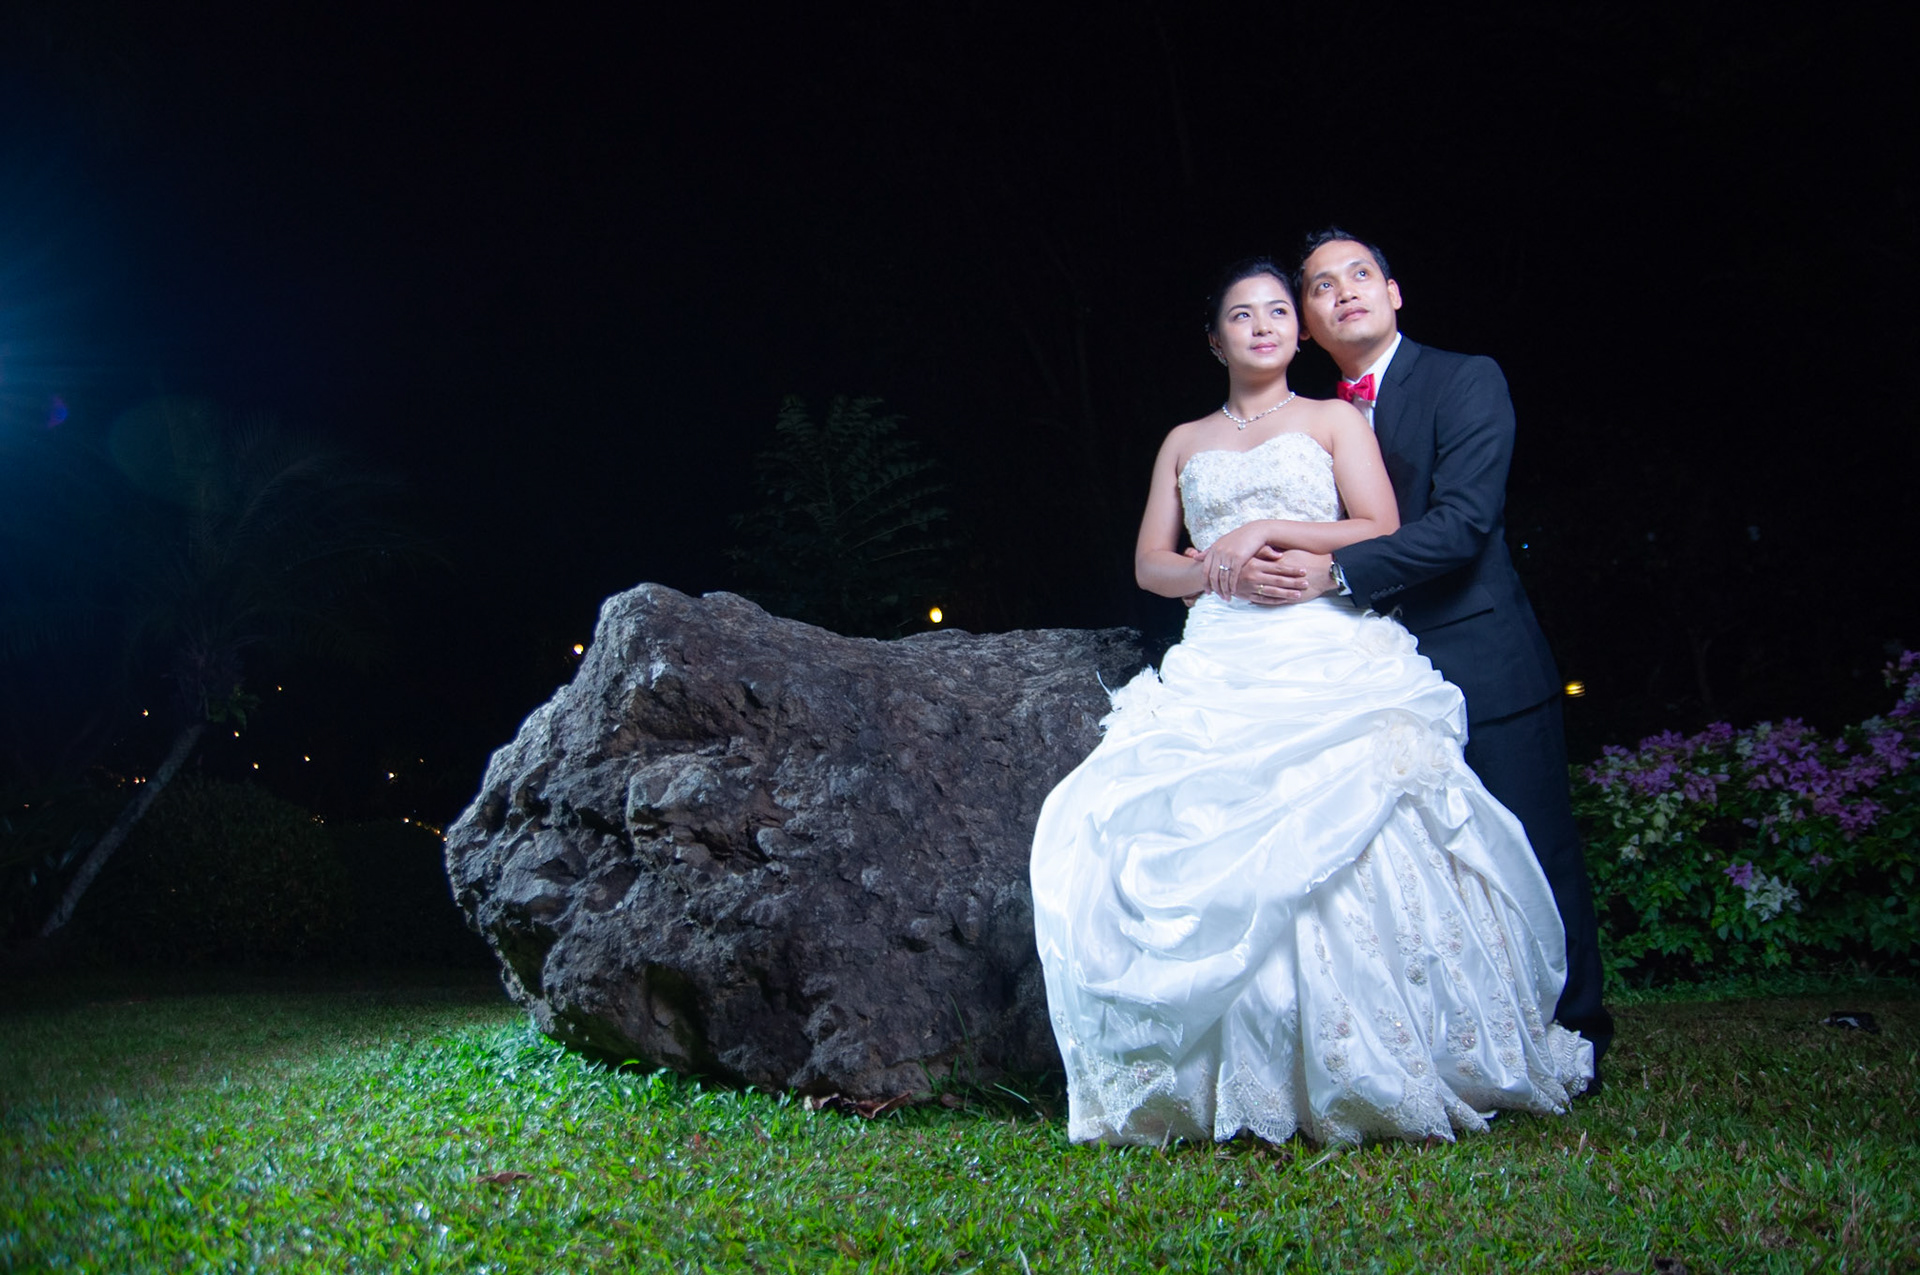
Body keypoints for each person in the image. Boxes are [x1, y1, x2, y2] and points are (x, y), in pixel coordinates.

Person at [1029, 258, 1593, 1147]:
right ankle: (1233, 1068)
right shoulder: (1182, 440)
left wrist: (1267, 530)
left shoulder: (1334, 418)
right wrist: (1216, 572)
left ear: (1299, 333)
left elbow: (1380, 526)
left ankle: (1377, 1048)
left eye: (1278, 312)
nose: (1263, 326)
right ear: (1214, 339)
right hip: (1223, 655)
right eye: (1241, 315)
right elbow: (1152, 564)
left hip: (1322, 642)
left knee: (1354, 824)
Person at [1255, 230, 1613, 1066]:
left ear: (1394, 292)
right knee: (1431, 871)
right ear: (1305, 322)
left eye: (1360, 275)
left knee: (1533, 852)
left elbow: (1463, 524)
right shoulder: (1314, 422)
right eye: (1321, 286)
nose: (1345, 291)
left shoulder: (1464, 378)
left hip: (1484, 659)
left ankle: (1577, 1034)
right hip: (1372, 674)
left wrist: (1335, 572)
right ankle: (1471, 1039)